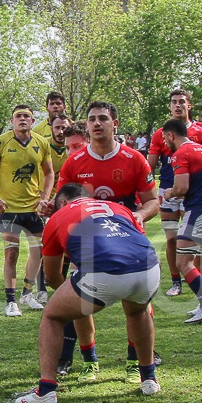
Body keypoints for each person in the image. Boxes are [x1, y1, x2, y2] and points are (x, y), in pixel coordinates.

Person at [16, 183, 161, 403]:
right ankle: (149, 378)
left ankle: (46, 390)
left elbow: (52, 275)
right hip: (149, 266)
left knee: (52, 316)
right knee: (138, 312)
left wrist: (71, 296)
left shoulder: (58, 216)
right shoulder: (116, 207)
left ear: (62, 202)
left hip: (104, 270)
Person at [50, 101, 160, 383]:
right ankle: (90, 361)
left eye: (103, 118)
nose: (97, 123)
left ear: (115, 124)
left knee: (136, 305)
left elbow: (153, 202)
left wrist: (139, 215)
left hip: (127, 240)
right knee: (81, 303)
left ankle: (135, 364)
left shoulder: (134, 159)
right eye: (92, 119)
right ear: (86, 126)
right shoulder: (74, 162)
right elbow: (62, 202)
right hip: (87, 243)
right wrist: (48, 207)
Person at [147, 90, 202, 294]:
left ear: (189, 106)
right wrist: (150, 192)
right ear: (170, 106)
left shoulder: (201, 132)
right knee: (172, 238)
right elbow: (150, 165)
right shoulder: (160, 133)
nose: (177, 105)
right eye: (174, 102)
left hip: (191, 194)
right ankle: (177, 282)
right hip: (170, 189)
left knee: (198, 242)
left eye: (182, 102)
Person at [0, 105, 54, 316]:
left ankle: (27, 293)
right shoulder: (0, 142)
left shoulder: (42, 142)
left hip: (34, 208)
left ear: (32, 121)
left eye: (26, 116)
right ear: (12, 121)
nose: (22, 119)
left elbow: (49, 173)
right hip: (9, 208)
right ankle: (11, 301)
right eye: (18, 116)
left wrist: (44, 198)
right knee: (11, 253)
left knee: (38, 252)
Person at [160, 117, 202, 323]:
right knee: (200, 260)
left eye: (164, 139)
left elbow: (181, 188)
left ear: (171, 135)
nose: (165, 143)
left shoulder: (181, 153)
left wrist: (169, 193)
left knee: (183, 262)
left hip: (198, 212)